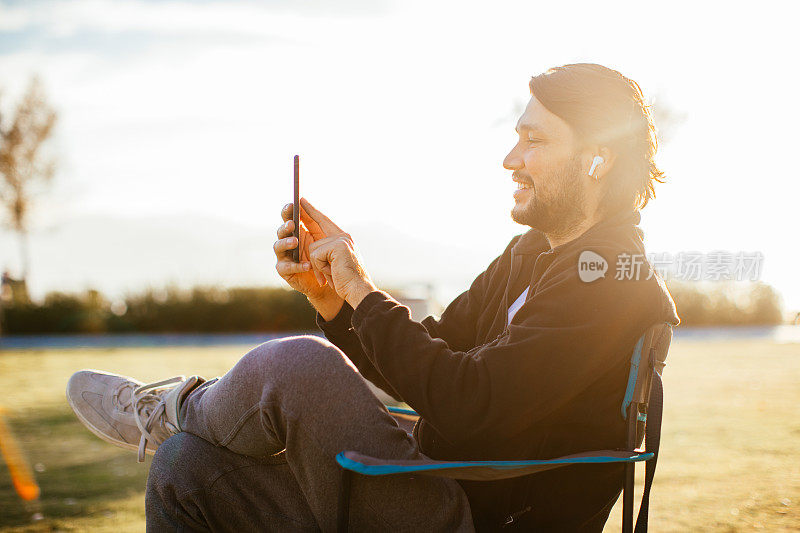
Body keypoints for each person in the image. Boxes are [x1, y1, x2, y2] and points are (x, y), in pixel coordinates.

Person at [67, 63, 679, 531]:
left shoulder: (609, 285)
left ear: (598, 158)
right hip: (426, 484)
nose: (510, 159)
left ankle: (176, 409)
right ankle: (178, 423)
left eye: (534, 140)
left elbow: (468, 403)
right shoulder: (530, 256)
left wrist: (362, 287)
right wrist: (336, 301)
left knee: (296, 364)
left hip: (474, 511)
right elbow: (432, 355)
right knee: (185, 473)